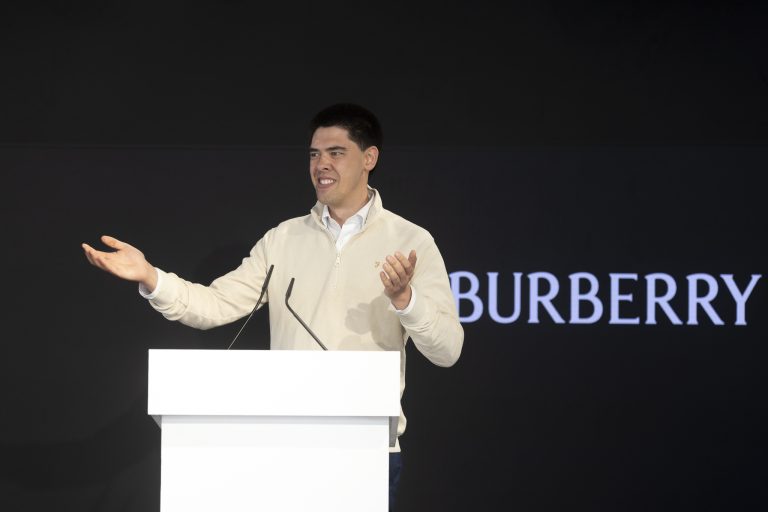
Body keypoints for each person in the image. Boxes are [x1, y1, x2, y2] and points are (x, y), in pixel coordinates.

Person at [82, 103, 463, 510]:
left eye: (336, 153)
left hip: (366, 451)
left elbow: (447, 350)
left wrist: (406, 301)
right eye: (314, 154)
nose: (321, 165)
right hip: (285, 445)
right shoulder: (283, 239)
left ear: (369, 158)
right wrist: (151, 277)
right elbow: (214, 304)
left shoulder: (410, 241)